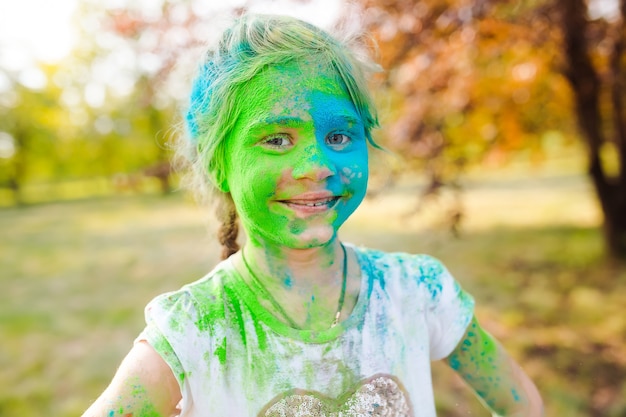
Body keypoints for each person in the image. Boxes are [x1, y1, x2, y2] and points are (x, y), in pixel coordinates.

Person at [82, 13, 543, 417]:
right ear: (219, 162)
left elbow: (522, 401)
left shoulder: (417, 291)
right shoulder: (194, 331)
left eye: (340, 136)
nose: (318, 165)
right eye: (277, 139)